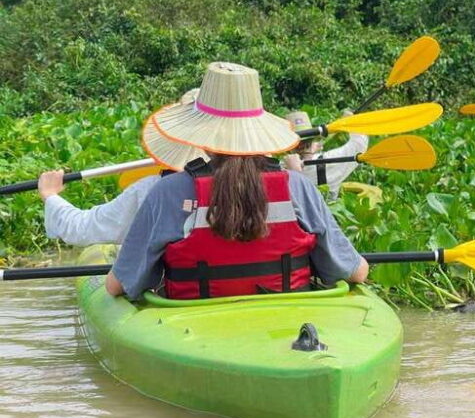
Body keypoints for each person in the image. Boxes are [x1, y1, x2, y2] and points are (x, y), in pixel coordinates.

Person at [106, 62, 368, 300]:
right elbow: (354, 272)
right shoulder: (297, 186)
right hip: (289, 322)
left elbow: (118, 285)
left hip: (193, 328)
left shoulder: (168, 192)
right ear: (258, 133)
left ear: (201, 137)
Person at [37, 89, 205, 246]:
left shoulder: (150, 189)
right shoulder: (232, 187)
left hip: (173, 277)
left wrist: (51, 195)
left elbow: (83, 228)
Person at [283, 110, 368, 199]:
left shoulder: (280, 168)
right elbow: (360, 144)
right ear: (312, 140)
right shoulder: (329, 162)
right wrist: (350, 121)